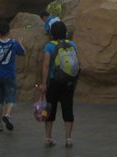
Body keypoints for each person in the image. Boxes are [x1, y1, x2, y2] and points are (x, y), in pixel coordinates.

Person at [37, 20, 78, 148]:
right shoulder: (72, 44)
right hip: (68, 82)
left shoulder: (49, 46)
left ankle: (49, 138)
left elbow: (46, 65)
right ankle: (68, 139)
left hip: (54, 82)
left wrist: (44, 83)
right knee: (68, 108)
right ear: (65, 32)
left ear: (52, 33)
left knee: (50, 110)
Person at [0, 22, 25, 132]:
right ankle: (7, 115)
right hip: (9, 75)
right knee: (11, 96)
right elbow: (23, 53)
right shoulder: (14, 43)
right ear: (9, 31)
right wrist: (20, 43)